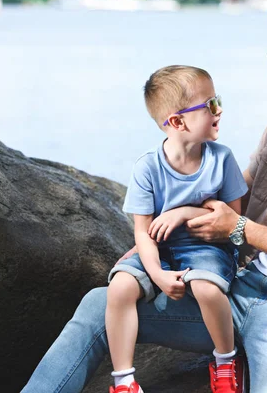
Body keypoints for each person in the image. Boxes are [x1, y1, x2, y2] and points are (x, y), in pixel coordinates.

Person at [21, 0, 267, 392]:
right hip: (238, 286)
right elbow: (233, 194)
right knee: (100, 304)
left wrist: (239, 229)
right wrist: (159, 238)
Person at [105, 65, 248, 393]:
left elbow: (232, 217)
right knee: (120, 288)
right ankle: (124, 381)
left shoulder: (222, 159)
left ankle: (226, 362)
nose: (219, 110)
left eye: (218, 101)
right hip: (160, 248)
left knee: (207, 289)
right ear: (177, 122)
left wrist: (183, 212)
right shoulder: (147, 167)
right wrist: (155, 274)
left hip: (208, 248)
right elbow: (142, 232)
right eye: (210, 105)